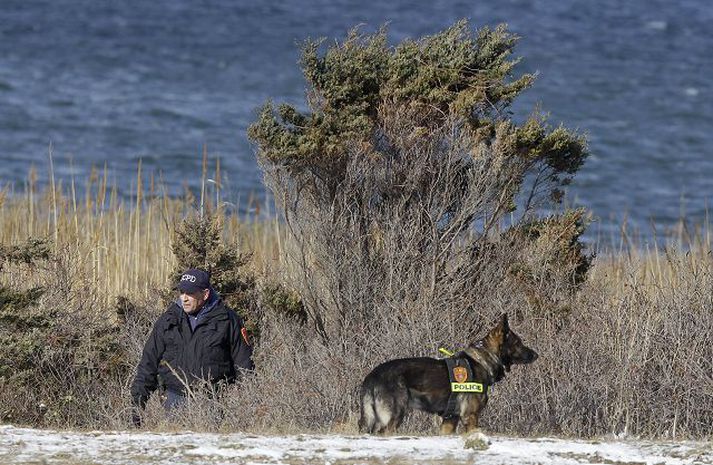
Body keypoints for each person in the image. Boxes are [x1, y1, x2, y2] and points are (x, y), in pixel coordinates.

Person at [130, 268, 253, 424]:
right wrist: (137, 406)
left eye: (190, 293)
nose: (184, 298)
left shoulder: (228, 320)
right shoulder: (169, 319)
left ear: (205, 294)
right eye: (182, 292)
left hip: (214, 401)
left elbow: (245, 366)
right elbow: (148, 362)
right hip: (174, 400)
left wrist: (246, 406)